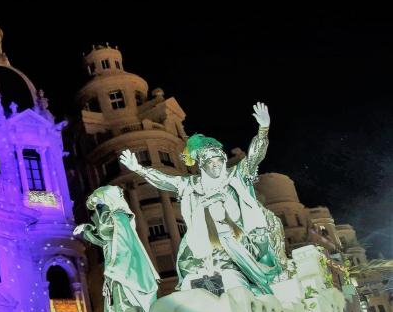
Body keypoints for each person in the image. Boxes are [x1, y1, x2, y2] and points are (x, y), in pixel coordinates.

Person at [118, 102, 284, 294]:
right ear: (201, 165)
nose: (215, 166)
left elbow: (255, 156)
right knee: (194, 277)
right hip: (205, 244)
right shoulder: (191, 184)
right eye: (209, 162)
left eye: (219, 161)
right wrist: (139, 169)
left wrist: (263, 130)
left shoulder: (234, 175)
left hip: (237, 239)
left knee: (236, 279)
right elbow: (165, 180)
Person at [74, 186, 159, 312]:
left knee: (124, 293)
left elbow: (114, 236)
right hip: (113, 260)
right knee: (115, 295)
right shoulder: (110, 217)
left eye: (100, 203)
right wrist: (86, 229)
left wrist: (117, 265)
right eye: (98, 205)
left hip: (124, 263)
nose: (98, 208)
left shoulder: (118, 215)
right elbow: (103, 238)